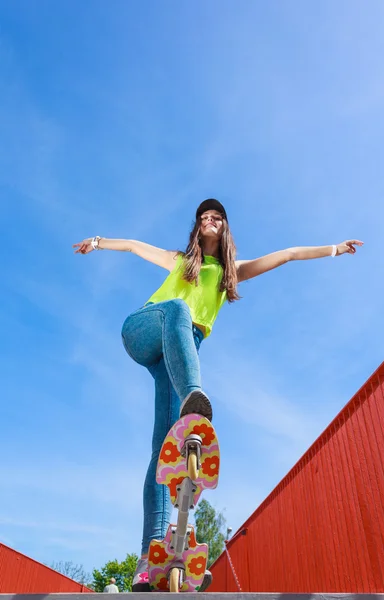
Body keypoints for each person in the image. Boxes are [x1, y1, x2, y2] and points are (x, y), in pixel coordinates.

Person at [73, 199, 363, 591]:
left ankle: (149, 559)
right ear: (197, 229)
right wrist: (98, 241)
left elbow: (289, 255)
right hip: (146, 328)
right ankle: (195, 397)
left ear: (224, 228)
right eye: (203, 218)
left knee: (163, 453)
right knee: (177, 308)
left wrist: (334, 249)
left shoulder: (232, 273)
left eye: (216, 218)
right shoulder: (180, 259)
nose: (209, 220)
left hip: (177, 356)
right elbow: (135, 246)